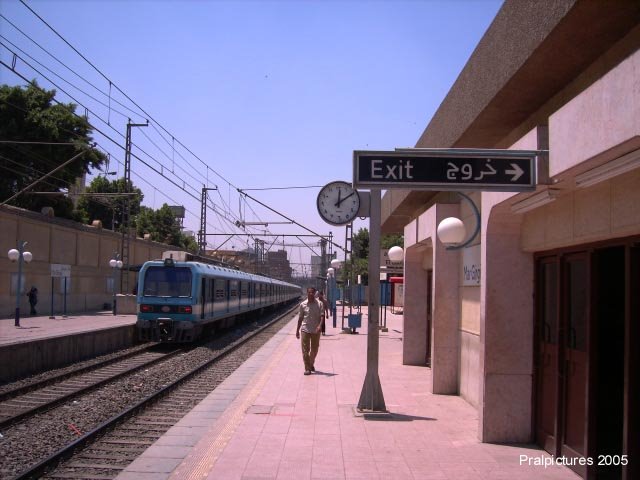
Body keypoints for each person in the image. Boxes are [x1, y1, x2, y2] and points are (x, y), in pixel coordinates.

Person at [296, 287, 324, 375]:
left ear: (315, 293)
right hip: (305, 329)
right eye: (309, 292)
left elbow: (322, 316)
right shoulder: (303, 305)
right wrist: (297, 330)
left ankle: (311, 363)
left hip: (316, 330)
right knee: (305, 350)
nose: (310, 294)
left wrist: (320, 326)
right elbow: (300, 318)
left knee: (315, 349)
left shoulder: (320, 304)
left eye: (312, 292)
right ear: (307, 293)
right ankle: (307, 368)